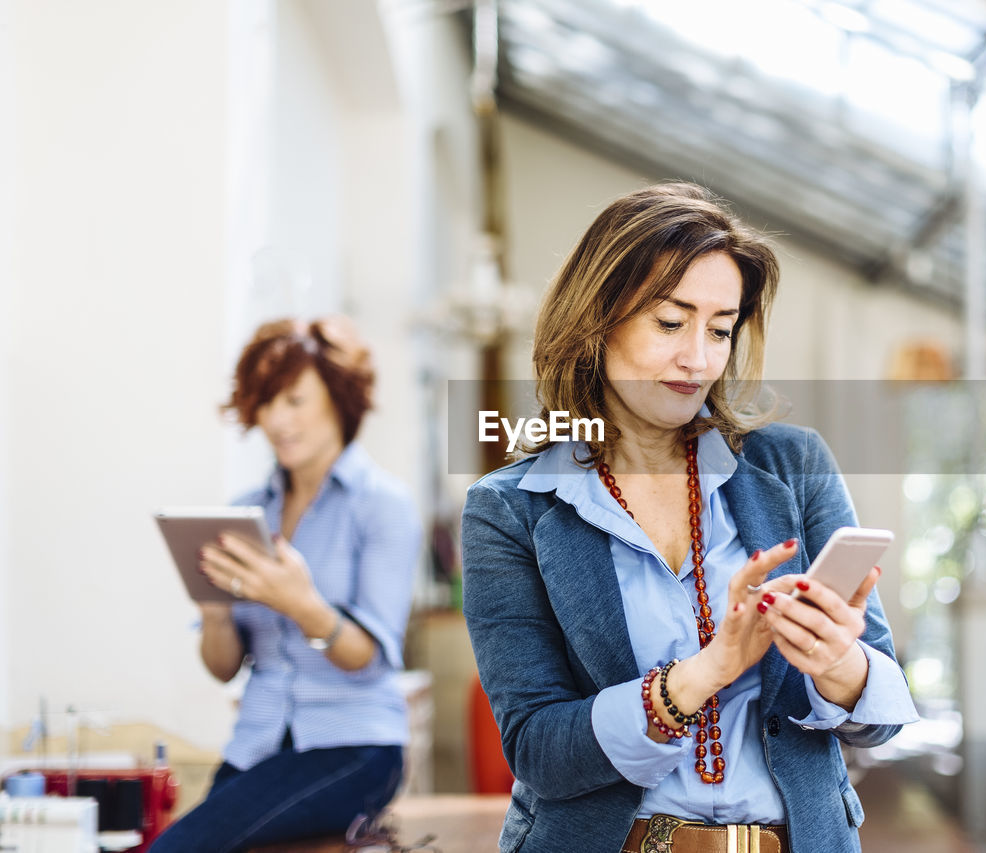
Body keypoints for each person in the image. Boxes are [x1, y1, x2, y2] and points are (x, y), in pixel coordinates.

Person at [461, 183, 918, 853]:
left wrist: (837, 662)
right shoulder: (511, 509)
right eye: (671, 322)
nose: (699, 357)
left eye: (721, 328)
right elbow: (539, 750)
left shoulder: (793, 465)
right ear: (598, 319)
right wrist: (709, 668)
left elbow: (881, 715)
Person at [152, 317, 422, 853]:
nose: (277, 420)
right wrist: (214, 612)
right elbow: (224, 666)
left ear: (340, 400)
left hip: (354, 746)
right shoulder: (245, 514)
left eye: (294, 400)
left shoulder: (383, 507)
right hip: (257, 745)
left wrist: (300, 603)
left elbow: (368, 659)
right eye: (266, 403)